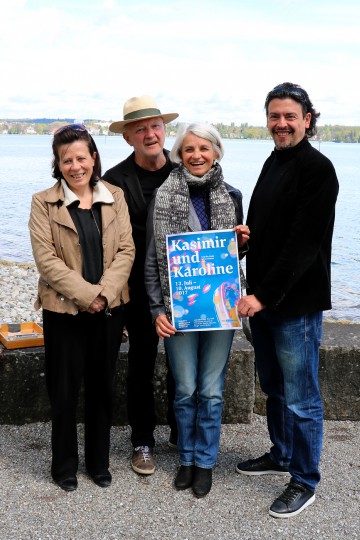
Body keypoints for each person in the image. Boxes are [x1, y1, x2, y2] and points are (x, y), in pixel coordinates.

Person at [236, 82, 339, 518]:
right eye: (274, 117)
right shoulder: (273, 161)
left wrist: (260, 295)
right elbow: (271, 229)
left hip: (294, 304)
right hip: (264, 300)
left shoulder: (318, 169)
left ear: (307, 120)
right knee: (274, 387)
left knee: (301, 397)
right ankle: (281, 453)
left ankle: (304, 478)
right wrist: (243, 238)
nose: (281, 124)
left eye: (289, 117)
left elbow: (302, 245)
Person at [145, 123, 250, 497]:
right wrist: (158, 308)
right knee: (186, 389)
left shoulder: (233, 195)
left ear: (217, 152)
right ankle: (186, 459)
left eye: (204, 148)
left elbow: (231, 257)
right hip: (179, 309)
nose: (196, 155)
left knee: (211, 390)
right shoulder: (163, 195)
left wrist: (241, 244)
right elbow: (152, 262)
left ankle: (205, 462)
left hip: (220, 309)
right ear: (179, 154)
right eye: (188, 149)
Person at [29, 124, 135, 492]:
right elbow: (47, 261)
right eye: (66, 159)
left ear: (93, 157)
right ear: (58, 164)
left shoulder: (114, 195)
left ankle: (98, 462)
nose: (76, 166)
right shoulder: (43, 202)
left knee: (102, 387)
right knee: (64, 390)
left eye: (81, 157)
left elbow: (126, 251)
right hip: (64, 312)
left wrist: (104, 294)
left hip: (110, 309)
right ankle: (64, 466)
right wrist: (87, 296)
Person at [103, 96, 179, 475]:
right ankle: (143, 441)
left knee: (185, 367)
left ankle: (182, 434)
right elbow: (107, 244)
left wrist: (237, 243)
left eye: (155, 126)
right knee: (141, 365)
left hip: (185, 285)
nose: (150, 134)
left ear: (164, 130)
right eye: (140, 129)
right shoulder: (113, 181)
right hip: (135, 289)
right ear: (127, 137)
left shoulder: (186, 170)